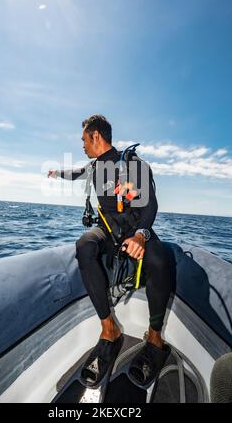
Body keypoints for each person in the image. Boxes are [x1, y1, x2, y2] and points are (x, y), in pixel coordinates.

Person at [48, 115, 172, 388]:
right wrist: (56, 173)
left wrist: (141, 235)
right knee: (84, 245)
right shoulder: (93, 168)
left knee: (159, 259)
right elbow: (77, 173)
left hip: (136, 230)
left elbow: (150, 205)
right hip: (109, 233)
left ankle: (154, 337)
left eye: (83, 139)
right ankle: (109, 329)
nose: (82, 145)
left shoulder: (131, 163)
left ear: (95, 136)